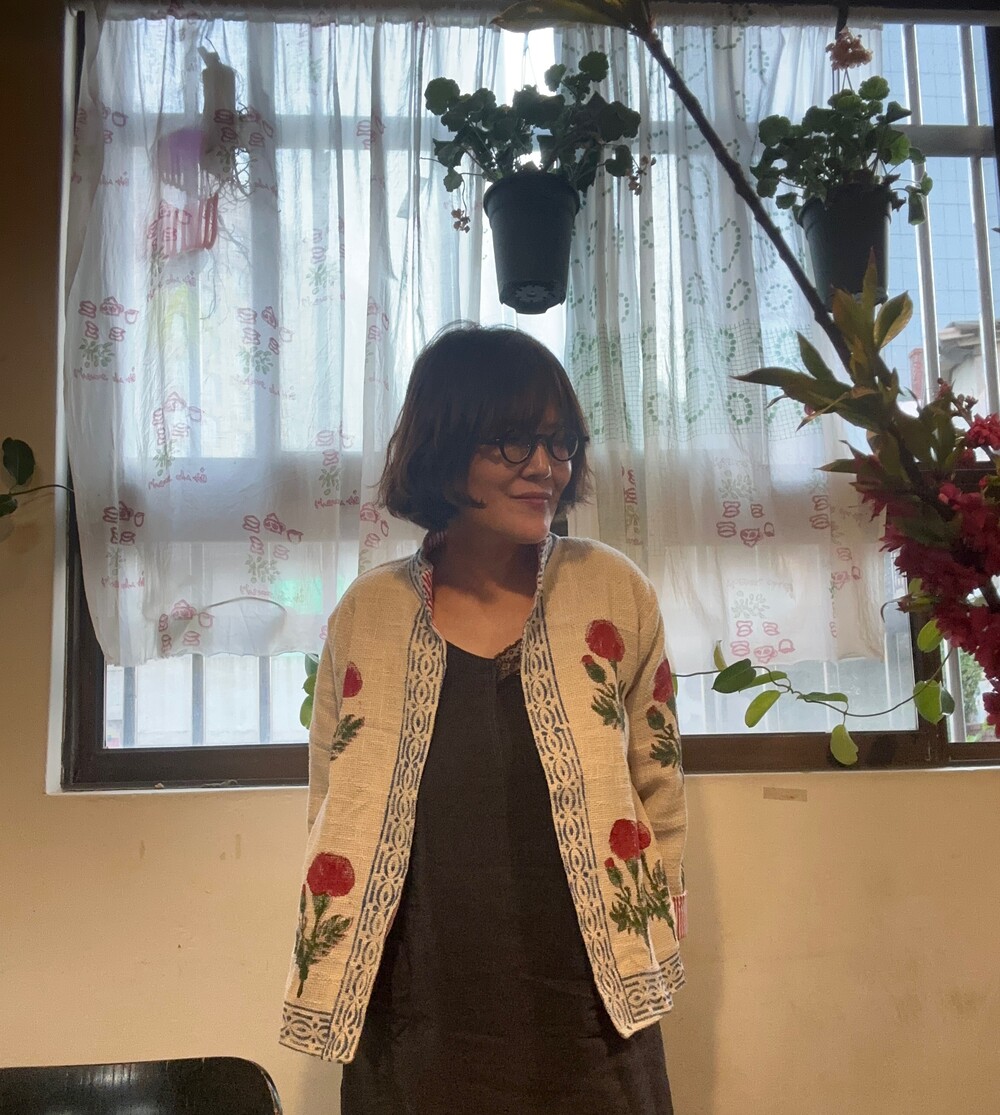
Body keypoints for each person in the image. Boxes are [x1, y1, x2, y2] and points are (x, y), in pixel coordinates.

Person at [279, 324, 687, 1114]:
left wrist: (651, 941)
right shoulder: (368, 613)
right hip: (416, 1022)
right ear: (444, 445)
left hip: (593, 1023)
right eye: (513, 441)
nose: (546, 466)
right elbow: (330, 799)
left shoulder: (614, 592)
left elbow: (660, 790)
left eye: (559, 442)